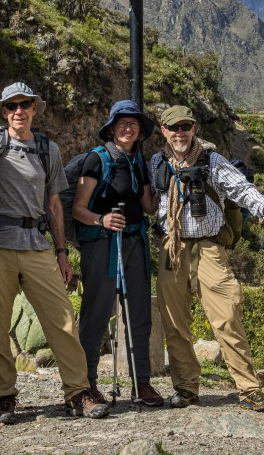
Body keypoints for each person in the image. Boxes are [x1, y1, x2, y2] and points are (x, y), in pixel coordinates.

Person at [0, 82, 108, 424]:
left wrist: (61, 251)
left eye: (24, 105)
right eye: (11, 106)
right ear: (3, 111)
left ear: (34, 109)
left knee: (62, 319)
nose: (19, 111)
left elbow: (54, 204)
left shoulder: (47, 149)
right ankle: (4, 397)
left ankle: (77, 391)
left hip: (37, 244)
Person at [147, 105, 264, 412]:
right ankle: (186, 388)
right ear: (164, 131)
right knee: (174, 322)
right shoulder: (157, 163)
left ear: (193, 129)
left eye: (185, 127)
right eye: (174, 128)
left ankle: (249, 390)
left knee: (227, 316)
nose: (180, 133)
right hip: (172, 247)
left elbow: (241, 188)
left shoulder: (212, 161)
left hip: (209, 247)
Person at [71, 100, 164, 407]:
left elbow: (148, 206)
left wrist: (167, 182)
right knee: (96, 312)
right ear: (111, 129)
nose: (128, 128)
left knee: (139, 312)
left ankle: (141, 383)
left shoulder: (139, 160)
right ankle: (86, 383)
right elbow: (78, 208)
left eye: (134, 124)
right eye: (122, 123)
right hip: (103, 243)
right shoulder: (97, 159)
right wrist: (102, 219)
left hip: (135, 241)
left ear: (140, 131)